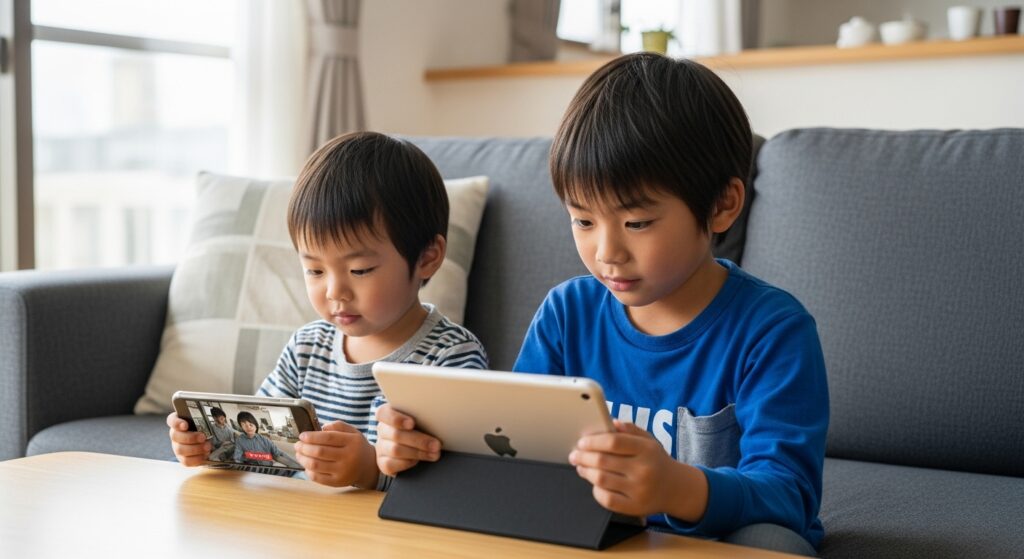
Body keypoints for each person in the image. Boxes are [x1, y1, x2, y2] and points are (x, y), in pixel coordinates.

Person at [374, 53, 828, 556]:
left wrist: (676, 486)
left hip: (713, 538)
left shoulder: (773, 329)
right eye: (583, 221)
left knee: (775, 544)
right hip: (590, 532)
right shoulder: (568, 313)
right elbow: (513, 451)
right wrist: (422, 452)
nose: (607, 253)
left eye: (637, 223)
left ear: (722, 205)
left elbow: (789, 495)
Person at [167, 131, 489, 490]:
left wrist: (369, 470)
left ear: (427, 258)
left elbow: (464, 488)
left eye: (360, 270)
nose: (335, 291)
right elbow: (266, 449)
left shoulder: (451, 358)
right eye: (315, 270)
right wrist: (213, 449)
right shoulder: (306, 349)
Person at [232, 411, 302, 469]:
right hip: (252, 471)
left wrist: (297, 464)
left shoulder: (264, 439)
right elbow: (237, 459)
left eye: (250, 424)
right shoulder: (240, 440)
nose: (248, 427)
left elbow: (278, 453)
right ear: (241, 427)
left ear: (255, 424)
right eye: (244, 425)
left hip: (268, 468)